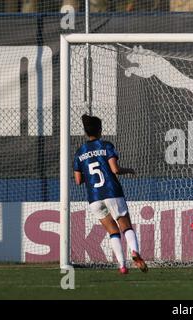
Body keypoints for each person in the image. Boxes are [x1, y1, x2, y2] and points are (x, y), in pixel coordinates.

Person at [73, 114, 148, 274]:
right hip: (111, 192)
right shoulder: (106, 145)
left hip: (94, 197)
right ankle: (135, 252)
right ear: (100, 130)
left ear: (86, 132)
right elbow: (115, 169)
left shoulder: (79, 152)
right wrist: (129, 170)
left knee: (112, 231)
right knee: (125, 226)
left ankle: (122, 265)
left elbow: (78, 180)